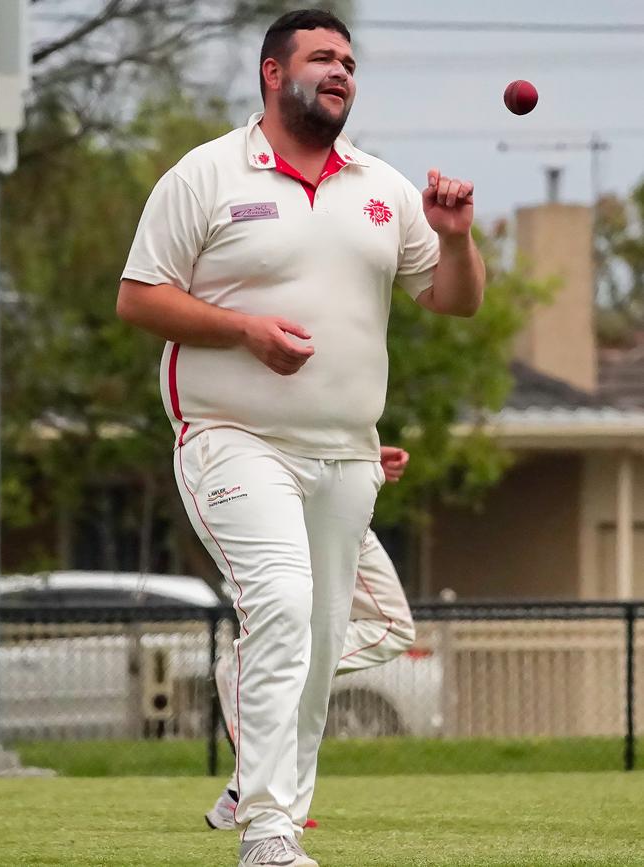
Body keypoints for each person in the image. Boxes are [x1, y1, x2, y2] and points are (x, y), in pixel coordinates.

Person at [116, 8, 484, 866]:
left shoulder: (384, 188)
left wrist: (459, 241)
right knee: (280, 605)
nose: (341, 70)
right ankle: (270, 834)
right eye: (322, 56)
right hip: (231, 438)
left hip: (349, 456)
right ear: (273, 74)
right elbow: (139, 298)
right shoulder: (205, 174)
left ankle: (265, 792)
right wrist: (244, 330)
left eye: (349, 60)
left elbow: (455, 300)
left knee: (317, 649)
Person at [205, 445, 416, 832]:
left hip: (341, 501)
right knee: (297, 638)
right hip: (293, 507)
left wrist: (359, 451)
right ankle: (247, 795)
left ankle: (248, 671)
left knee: (393, 626)